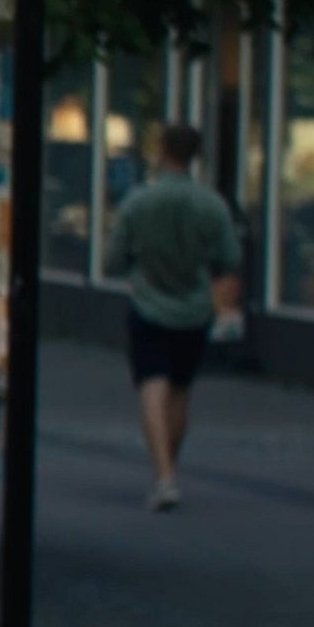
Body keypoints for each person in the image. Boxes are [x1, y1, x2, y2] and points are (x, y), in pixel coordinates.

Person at [109, 121, 243, 511]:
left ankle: (163, 476)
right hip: (194, 309)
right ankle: (167, 469)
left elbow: (114, 259)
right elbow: (230, 260)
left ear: (163, 150)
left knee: (152, 384)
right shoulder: (211, 204)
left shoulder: (138, 202)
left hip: (149, 303)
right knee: (180, 391)